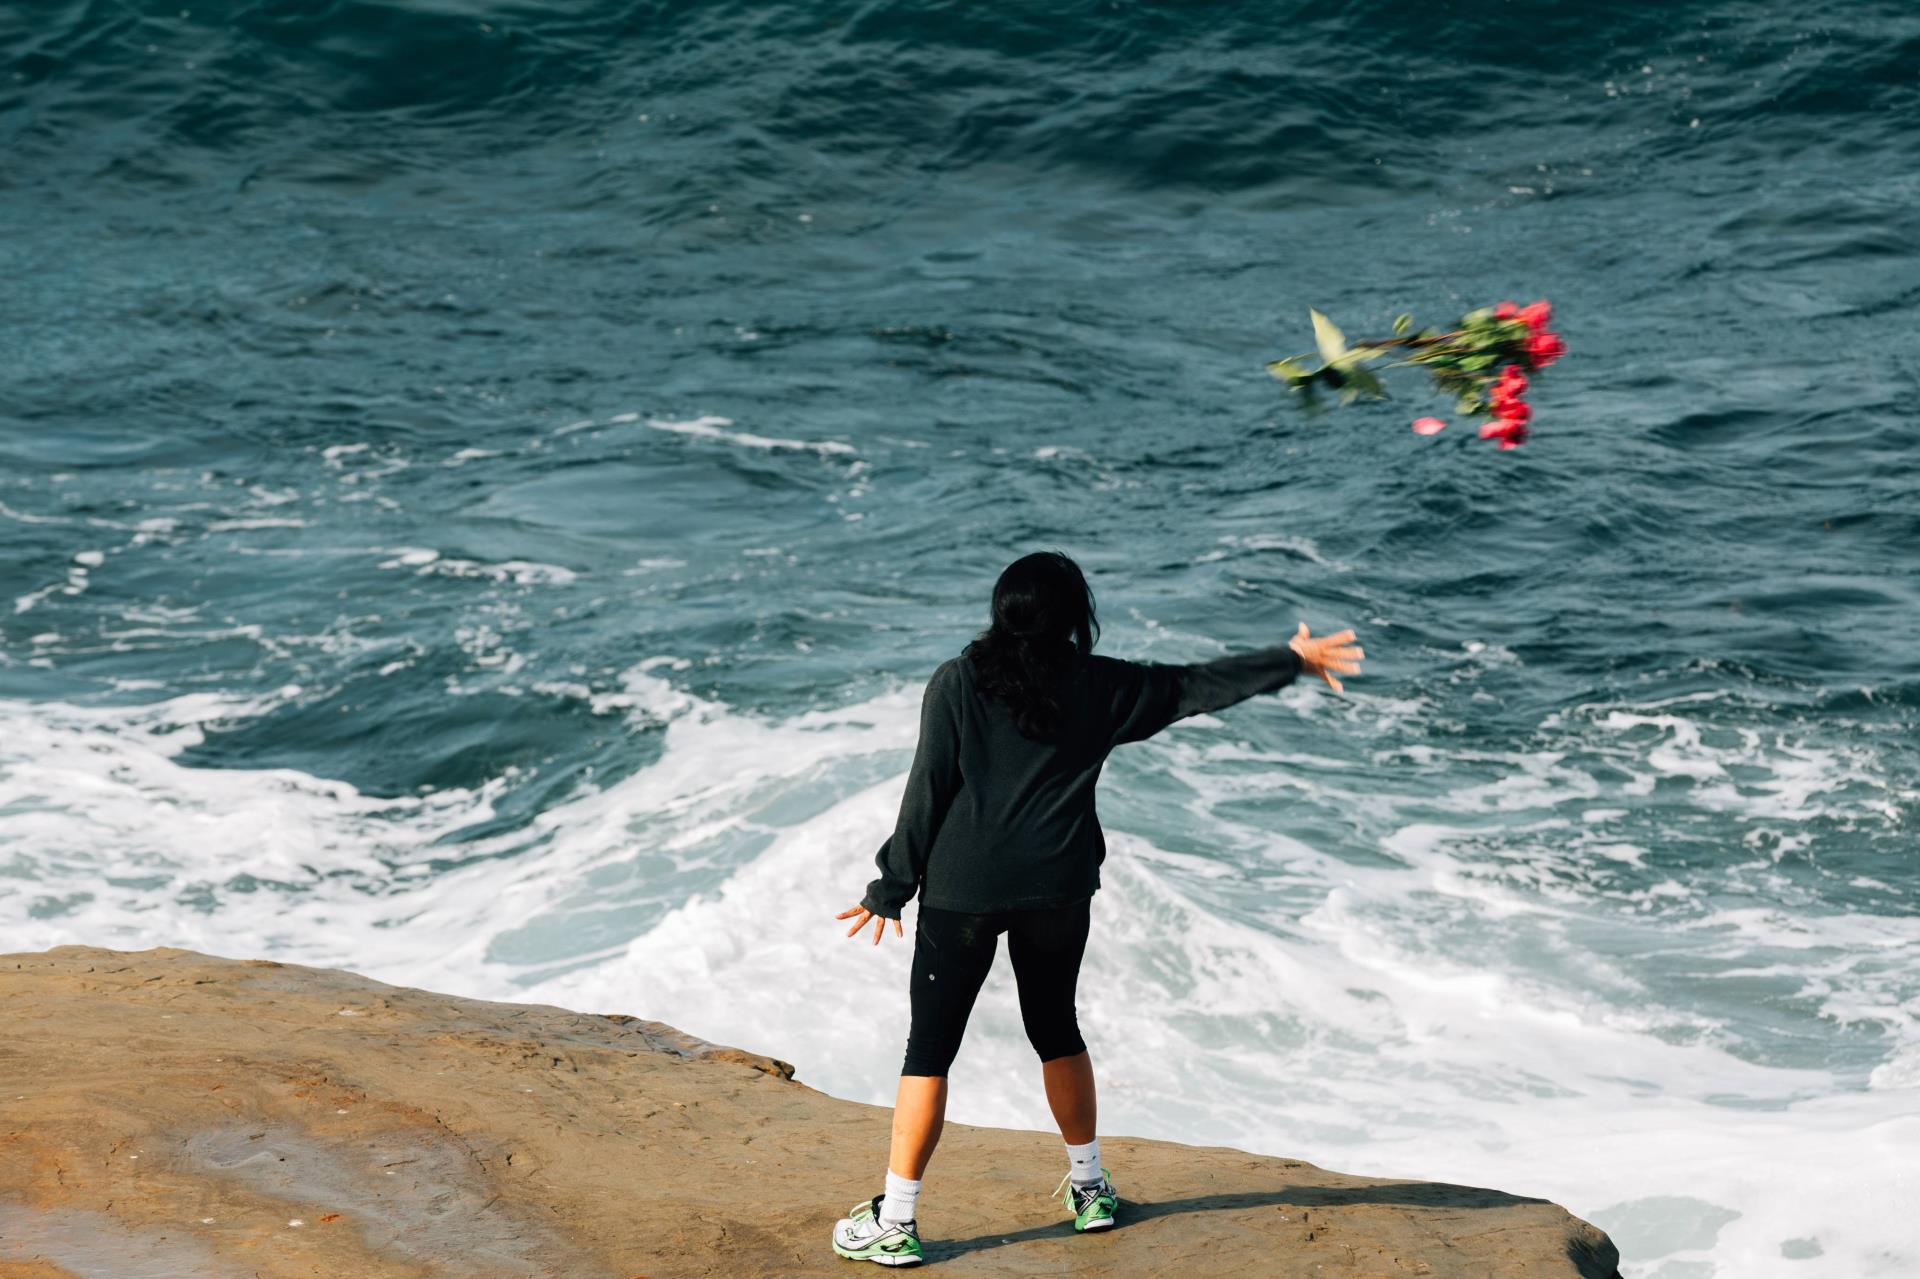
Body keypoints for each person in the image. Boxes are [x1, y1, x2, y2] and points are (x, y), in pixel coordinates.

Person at [828, 550, 1363, 1266]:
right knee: (1056, 1028)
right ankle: (1089, 1190)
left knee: (929, 1051)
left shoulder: (957, 682)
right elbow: (1192, 685)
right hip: (1058, 884)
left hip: (964, 890)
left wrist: (890, 887)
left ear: (1001, 609)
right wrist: (1291, 660)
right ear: (1075, 617)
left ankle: (897, 1220)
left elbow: (927, 788)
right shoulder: (1100, 685)